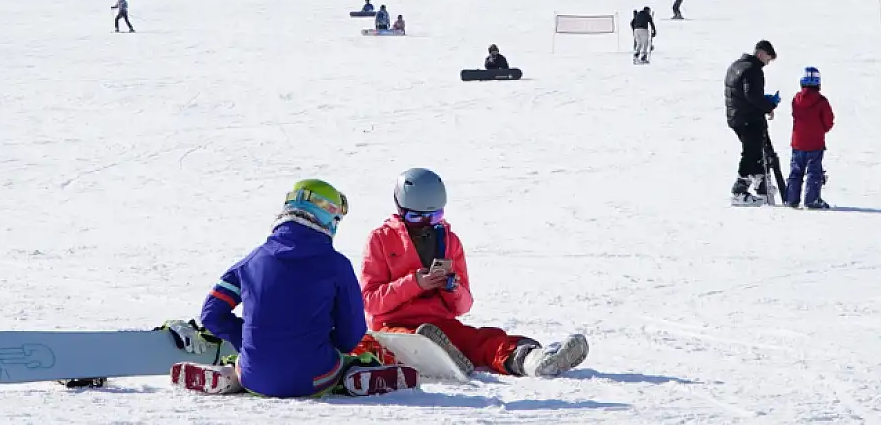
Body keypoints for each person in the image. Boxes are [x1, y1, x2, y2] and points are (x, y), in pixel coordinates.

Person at [189, 179, 414, 397]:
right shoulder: (337, 265)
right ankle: (354, 373)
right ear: (329, 218)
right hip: (315, 377)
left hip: (255, 377)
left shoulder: (249, 263)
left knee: (247, 366)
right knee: (352, 360)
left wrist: (247, 342)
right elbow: (351, 336)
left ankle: (230, 375)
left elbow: (211, 314)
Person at [358, 168, 589, 378]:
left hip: (441, 325)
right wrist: (416, 283)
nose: (426, 224)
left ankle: (532, 360)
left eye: (434, 217)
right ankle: (439, 352)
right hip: (394, 328)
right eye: (416, 217)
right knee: (414, 342)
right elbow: (369, 302)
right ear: (400, 209)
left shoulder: (450, 242)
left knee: (482, 340)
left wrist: (452, 288)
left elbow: (463, 306)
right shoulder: (380, 239)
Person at [725, 41, 779, 203]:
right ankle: (739, 191)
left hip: (736, 116)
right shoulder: (752, 70)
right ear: (761, 54)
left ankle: (760, 182)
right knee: (751, 151)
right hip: (747, 118)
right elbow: (752, 96)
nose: (767, 63)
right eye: (768, 59)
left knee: (754, 151)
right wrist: (769, 105)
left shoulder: (736, 65)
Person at [786, 67, 834, 209]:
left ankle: (791, 199)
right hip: (815, 142)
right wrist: (822, 130)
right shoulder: (822, 101)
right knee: (814, 172)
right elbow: (829, 121)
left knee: (795, 171)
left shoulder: (796, 99)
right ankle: (811, 199)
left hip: (797, 142)